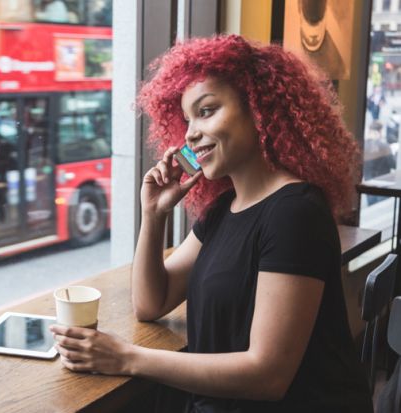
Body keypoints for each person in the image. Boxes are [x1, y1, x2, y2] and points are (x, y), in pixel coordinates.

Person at [49, 35, 373, 412]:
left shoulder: (295, 212)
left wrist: (126, 357)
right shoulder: (224, 209)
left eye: (206, 111)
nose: (189, 133)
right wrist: (154, 215)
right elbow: (151, 302)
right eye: (187, 119)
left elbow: (267, 375)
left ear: (258, 109)